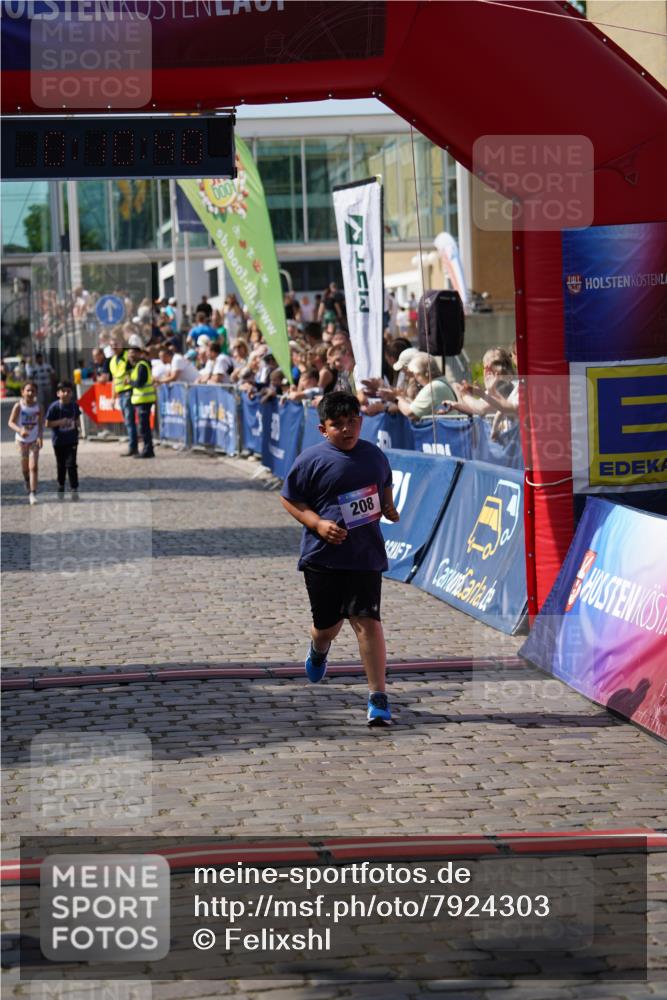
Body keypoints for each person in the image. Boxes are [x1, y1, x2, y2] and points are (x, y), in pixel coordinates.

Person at [279, 392, 400, 727]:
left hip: (365, 555)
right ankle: (318, 648)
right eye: (338, 425)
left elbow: (384, 486)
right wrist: (317, 523)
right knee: (328, 626)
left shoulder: (374, 456)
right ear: (323, 429)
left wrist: (388, 508)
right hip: (323, 558)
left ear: (361, 421)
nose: (347, 429)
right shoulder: (311, 460)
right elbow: (289, 499)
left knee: (367, 621)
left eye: (353, 422)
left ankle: (378, 697)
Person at [8, 381, 43, 504]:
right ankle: (26, 480)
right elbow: (10, 422)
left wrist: (40, 437)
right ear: (22, 392)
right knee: (25, 467)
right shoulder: (18, 406)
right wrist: (20, 430)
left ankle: (32, 493)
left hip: (33, 440)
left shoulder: (38, 407)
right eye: (27, 390)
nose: (30, 393)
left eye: (32, 391)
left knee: (33, 467)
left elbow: (40, 424)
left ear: (36, 393)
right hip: (21, 441)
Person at [45, 380, 82, 499]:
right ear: (58, 393)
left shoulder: (74, 406)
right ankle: (61, 485)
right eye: (63, 391)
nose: (66, 393)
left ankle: (74, 488)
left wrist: (79, 429)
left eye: (68, 391)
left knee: (71, 464)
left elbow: (77, 419)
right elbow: (47, 424)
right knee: (61, 465)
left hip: (72, 439)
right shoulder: (54, 407)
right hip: (59, 440)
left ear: (72, 393)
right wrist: (60, 422)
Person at [110, 335, 137, 456]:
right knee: (127, 421)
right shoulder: (112, 361)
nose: (114, 347)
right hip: (120, 393)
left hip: (128, 391)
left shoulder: (127, 356)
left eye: (116, 344)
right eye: (112, 345)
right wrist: (112, 397)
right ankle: (132, 445)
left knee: (129, 421)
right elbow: (115, 380)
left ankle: (133, 447)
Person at [127, 342, 156, 458]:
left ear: (139, 354)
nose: (130, 356)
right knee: (143, 426)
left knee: (144, 427)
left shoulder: (142, 365)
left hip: (144, 400)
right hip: (141, 400)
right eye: (129, 353)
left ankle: (148, 450)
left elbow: (139, 383)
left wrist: (130, 382)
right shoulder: (137, 366)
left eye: (133, 353)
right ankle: (147, 449)